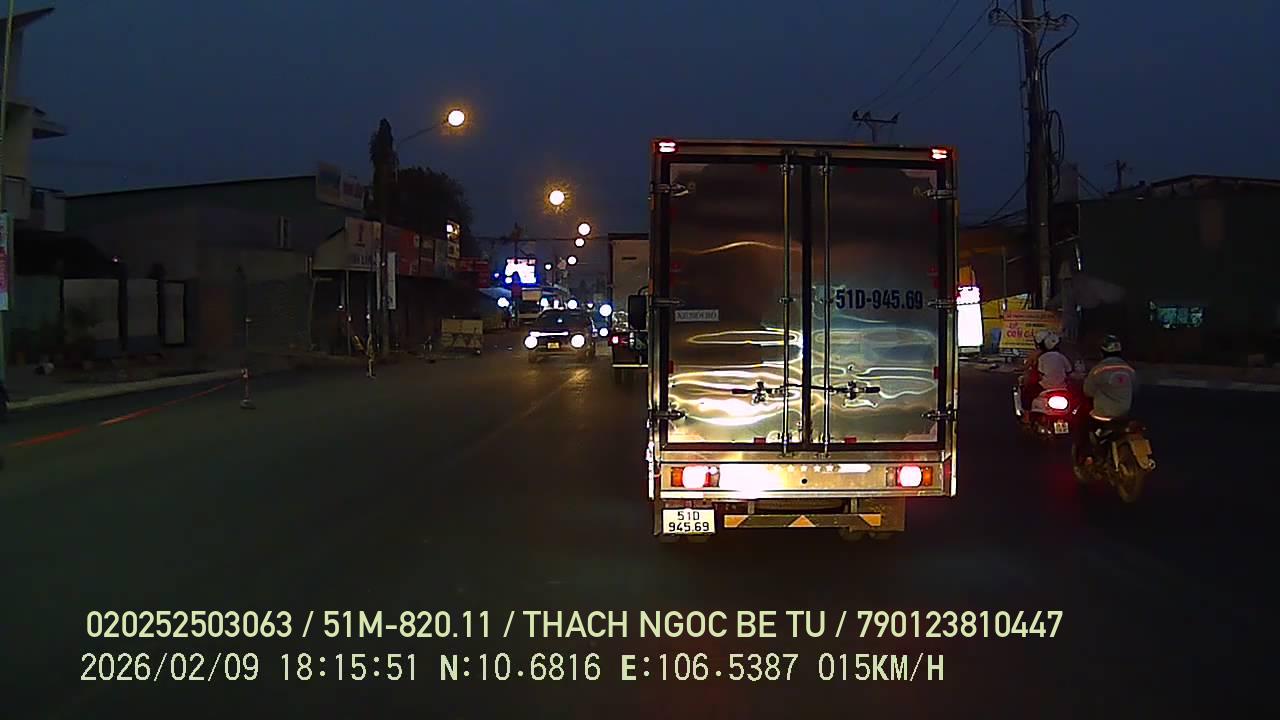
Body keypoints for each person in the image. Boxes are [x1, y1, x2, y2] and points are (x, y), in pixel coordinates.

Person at [1074, 334, 1137, 463]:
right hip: (1124, 412)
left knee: (1084, 425)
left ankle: (1089, 456)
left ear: (1102, 351)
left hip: (1103, 414)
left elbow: (1088, 391)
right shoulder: (1129, 370)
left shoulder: (1098, 370)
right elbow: (1135, 389)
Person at [1021, 330, 1072, 420]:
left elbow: (1040, 373)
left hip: (1045, 386)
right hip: (1062, 386)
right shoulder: (1062, 356)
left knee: (1026, 394)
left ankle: (1026, 417)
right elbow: (1069, 370)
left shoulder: (1041, 357)